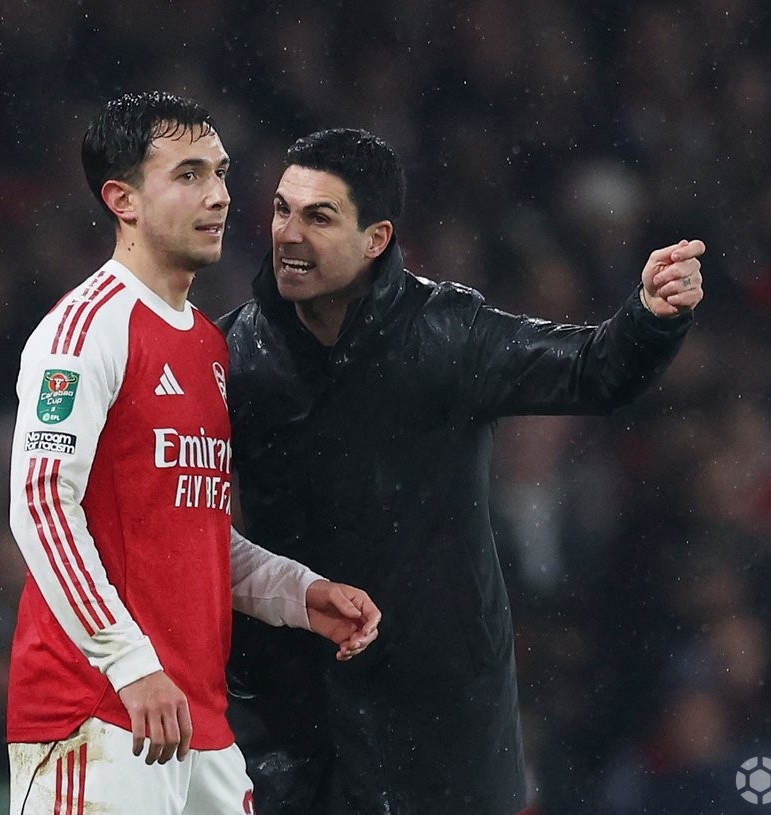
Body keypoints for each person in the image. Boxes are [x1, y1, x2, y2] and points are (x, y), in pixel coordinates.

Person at [218, 127, 705, 814]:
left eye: (318, 217)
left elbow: (591, 370)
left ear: (376, 239)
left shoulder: (445, 333)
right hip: (293, 722)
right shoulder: (232, 353)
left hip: (440, 715)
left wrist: (650, 316)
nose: (288, 234)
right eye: (281, 210)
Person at [6, 94, 381, 815]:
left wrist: (298, 592)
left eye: (221, 172)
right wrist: (130, 664)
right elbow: (43, 505)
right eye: (188, 174)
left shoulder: (207, 344)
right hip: (99, 715)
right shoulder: (84, 330)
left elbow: (194, 530)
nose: (219, 195)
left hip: (196, 724)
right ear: (122, 200)